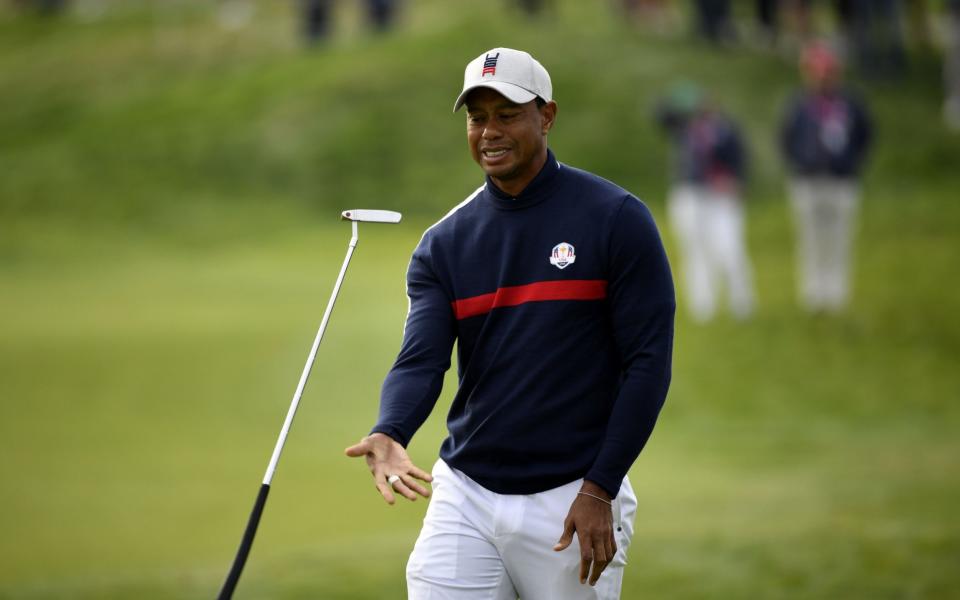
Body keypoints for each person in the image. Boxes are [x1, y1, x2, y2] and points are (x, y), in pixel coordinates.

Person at [345, 47, 675, 599]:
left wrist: (601, 488)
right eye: (477, 118)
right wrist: (390, 429)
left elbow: (648, 364)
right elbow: (422, 360)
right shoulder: (444, 245)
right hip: (467, 491)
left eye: (507, 114)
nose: (489, 132)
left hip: (572, 495)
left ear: (546, 116)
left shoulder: (616, 219)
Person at [780, 41, 873, 313]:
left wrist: (853, 162)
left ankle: (837, 293)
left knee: (840, 237)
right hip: (808, 181)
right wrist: (800, 163)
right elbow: (785, 139)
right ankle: (813, 293)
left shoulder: (850, 103)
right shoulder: (799, 104)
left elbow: (865, 135)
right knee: (810, 238)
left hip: (841, 179)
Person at [656, 83, 754, 322]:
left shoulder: (726, 129)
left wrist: (736, 180)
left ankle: (741, 304)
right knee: (695, 251)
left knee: (729, 248)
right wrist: (678, 99)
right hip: (690, 194)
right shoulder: (684, 128)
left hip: (721, 197)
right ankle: (703, 308)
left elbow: (740, 158)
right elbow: (660, 114)